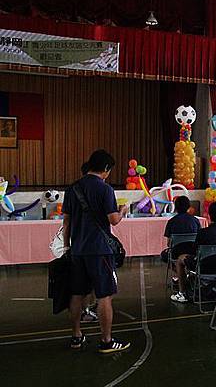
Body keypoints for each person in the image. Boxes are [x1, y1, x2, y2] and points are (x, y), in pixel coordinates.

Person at [62, 149, 130, 353]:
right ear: (106, 168)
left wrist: (67, 247)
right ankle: (106, 341)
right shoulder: (105, 189)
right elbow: (113, 220)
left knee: (76, 294)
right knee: (104, 295)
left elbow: (66, 221)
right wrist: (123, 211)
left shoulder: (73, 188)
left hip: (77, 249)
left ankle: (76, 336)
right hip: (99, 250)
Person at [165, 196, 201, 303]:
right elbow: (199, 238)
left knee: (165, 255)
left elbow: (169, 243)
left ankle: (180, 276)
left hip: (176, 252)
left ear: (175, 208)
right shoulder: (195, 221)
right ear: (189, 207)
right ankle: (185, 275)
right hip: (193, 252)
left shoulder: (171, 221)